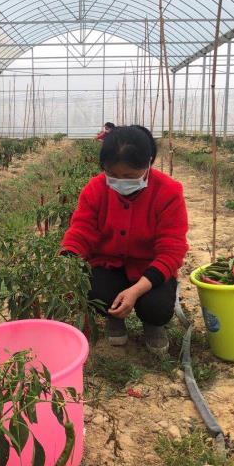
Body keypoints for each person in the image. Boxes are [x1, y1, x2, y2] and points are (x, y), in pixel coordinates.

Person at [61, 125, 188, 355]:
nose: (120, 181)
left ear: (148, 163)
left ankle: (153, 324)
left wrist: (137, 289)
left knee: (157, 307)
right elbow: (81, 231)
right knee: (95, 290)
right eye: (113, 174)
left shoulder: (168, 192)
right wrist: (64, 262)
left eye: (129, 176)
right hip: (108, 264)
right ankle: (114, 317)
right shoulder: (95, 189)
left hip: (149, 269)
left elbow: (172, 250)